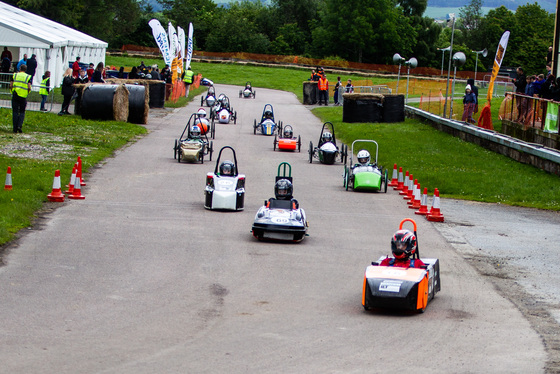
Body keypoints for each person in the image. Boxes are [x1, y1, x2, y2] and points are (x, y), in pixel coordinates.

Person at [9, 64, 31, 133]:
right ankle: (19, 125)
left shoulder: (15, 75)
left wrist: (12, 91)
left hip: (15, 94)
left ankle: (14, 128)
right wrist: (27, 92)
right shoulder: (28, 77)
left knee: (15, 111)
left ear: (20, 68)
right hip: (23, 96)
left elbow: (10, 85)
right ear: (25, 70)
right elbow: (29, 87)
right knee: (22, 112)